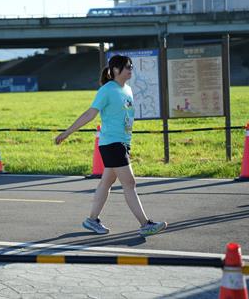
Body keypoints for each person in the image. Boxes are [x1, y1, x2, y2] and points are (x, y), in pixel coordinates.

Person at [55, 54, 167, 237]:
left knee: (106, 183)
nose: (131, 70)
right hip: (111, 143)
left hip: (122, 143)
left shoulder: (127, 90)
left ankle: (92, 220)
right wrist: (67, 132)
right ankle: (145, 224)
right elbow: (89, 114)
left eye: (131, 66)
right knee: (129, 183)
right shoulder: (107, 90)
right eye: (128, 67)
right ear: (116, 70)